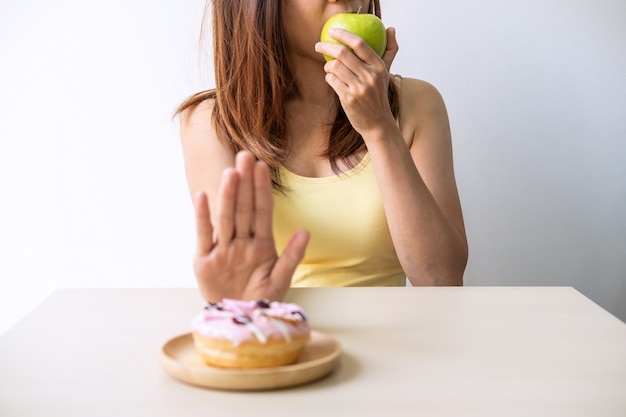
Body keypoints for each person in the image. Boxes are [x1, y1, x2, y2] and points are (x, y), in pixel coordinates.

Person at [175, 0, 468, 303]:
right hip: (281, 341)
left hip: (394, 341)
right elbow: (236, 289)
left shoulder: (417, 104)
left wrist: (379, 127)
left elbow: (441, 280)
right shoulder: (213, 124)